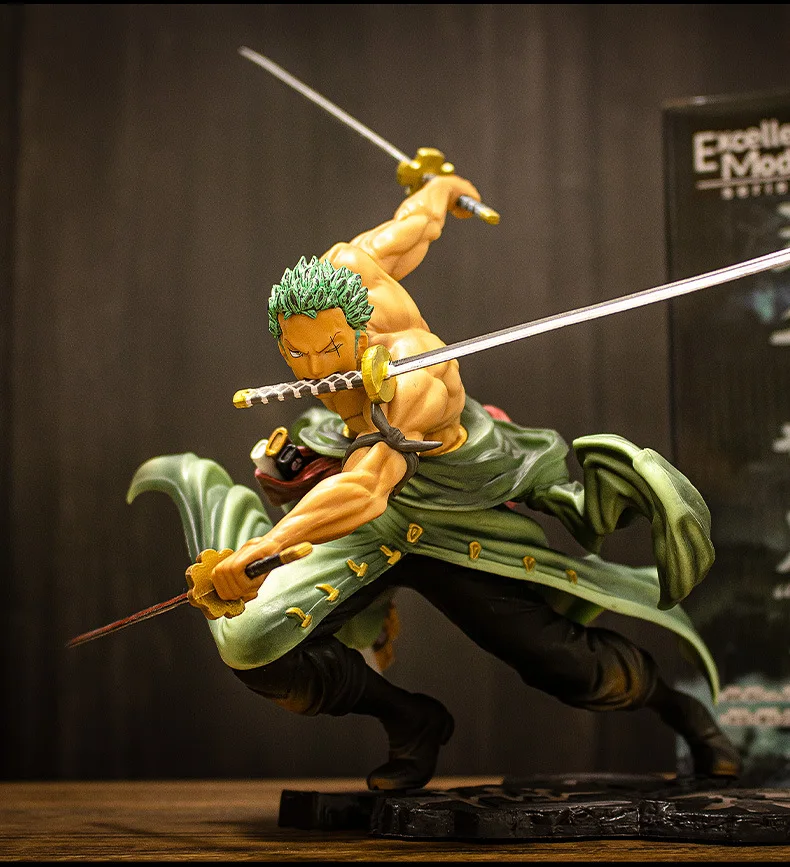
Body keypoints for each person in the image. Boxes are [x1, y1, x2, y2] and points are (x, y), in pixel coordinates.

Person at [128, 174, 741, 790]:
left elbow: (367, 488)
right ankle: (410, 721)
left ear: (360, 326)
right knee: (252, 643)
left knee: (570, 668)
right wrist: (442, 187)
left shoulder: (414, 373)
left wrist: (268, 547)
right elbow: (415, 225)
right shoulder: (349, 266)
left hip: (452, 515)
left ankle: (682, 712)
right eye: (296, 354)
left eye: (331, 350)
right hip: (370, 518)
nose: (314, 371)